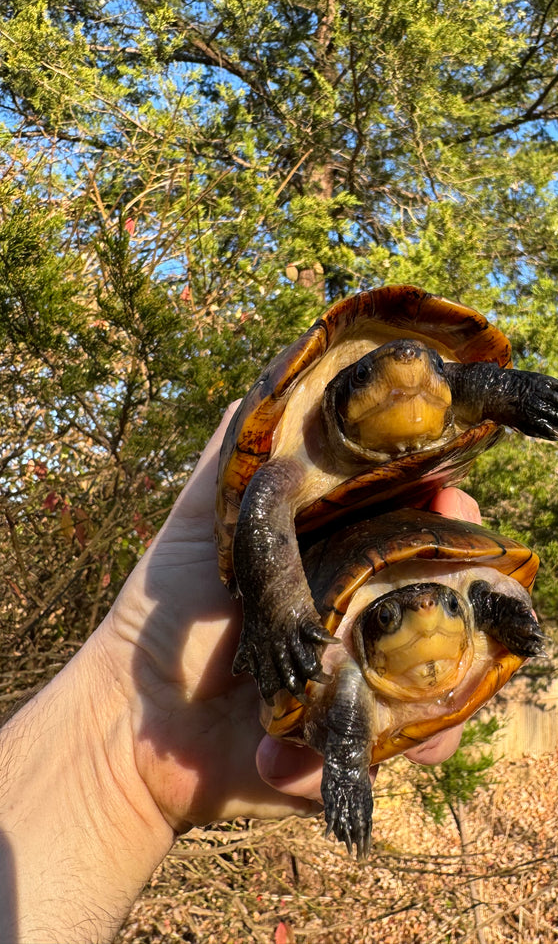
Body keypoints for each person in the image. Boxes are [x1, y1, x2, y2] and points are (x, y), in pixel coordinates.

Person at [0, 404, 478, 944]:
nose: (424, 620)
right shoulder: (296, 449)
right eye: (391, 618)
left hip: (394, 541)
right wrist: (128, 741)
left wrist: (125, 753)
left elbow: (494, 586)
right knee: (345, 698)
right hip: (309, 582)